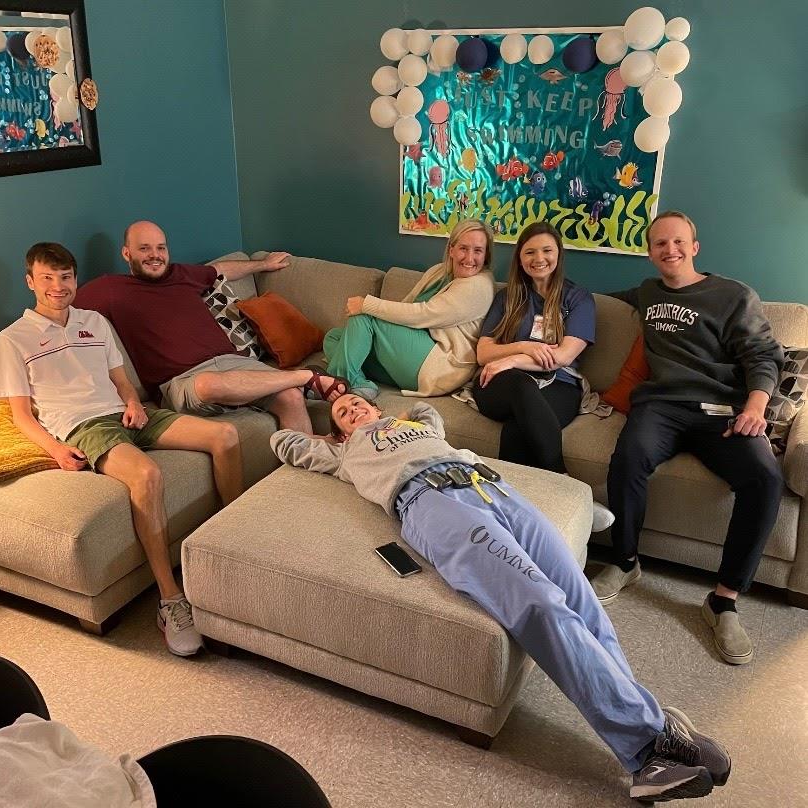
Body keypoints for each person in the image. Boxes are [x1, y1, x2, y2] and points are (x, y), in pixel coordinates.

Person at [272, 393, 731, 803]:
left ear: (375, 406)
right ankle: (647, 748)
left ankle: (654, 733)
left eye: (356, 402)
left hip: (490, 486)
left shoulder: (417, 426)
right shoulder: (342, 452)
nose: (352, 408)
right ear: (339, 430)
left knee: (581, 599)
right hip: (432, 506)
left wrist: (389, 414)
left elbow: (428, 411)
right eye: (343, 413)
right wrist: (315, 412)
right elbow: (285, 444)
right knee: (540, 603)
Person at [0, 243, 244, 657]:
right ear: (30, 282)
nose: (59, 286)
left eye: (66, 276)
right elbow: (20, 415)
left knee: (226, 437)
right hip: (84, 427)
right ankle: (170, 599)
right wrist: (55, 450)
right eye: (48, 278)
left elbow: (120, 378)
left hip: (127, 414)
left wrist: (131, 402)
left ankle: (230, 546)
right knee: (147, 475)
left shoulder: (94, 321)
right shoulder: (13, 339)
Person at [590, 211, 784, 666]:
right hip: (661, 406)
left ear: (695, 246)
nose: (669, 250)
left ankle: (723, 600)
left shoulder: (735, 296)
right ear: (650, 251)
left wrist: (756, 407)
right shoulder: (648, 292)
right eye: (659, 244)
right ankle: (625, 560)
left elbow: (763, 356)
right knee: (629, 456)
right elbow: (595, 301)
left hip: (724, 411)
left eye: (678, 242)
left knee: (764, 478)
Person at [0, 221, 348, 432]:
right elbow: (53, 305)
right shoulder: (107, 289)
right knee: (209, 384)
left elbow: (222, 270)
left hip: (237, 365)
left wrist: (262, 265)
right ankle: (305, 377)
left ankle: (304, 475)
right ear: (127, 254)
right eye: (144, 249)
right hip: (184, 382)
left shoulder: (181, 274)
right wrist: (1, 353)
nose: (155, 255)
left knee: (287, 396)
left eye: (160, 247)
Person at [472, 221, 612, 530]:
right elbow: (483, 353)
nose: (539, 258)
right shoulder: (507, 297)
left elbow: (561, 357)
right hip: (498, 385)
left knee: (517, 430)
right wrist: (524, 347)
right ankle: (566, 487)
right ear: (520, 258)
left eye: (547, 250)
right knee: (521, 386)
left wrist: (512, 359)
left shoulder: (578, 299)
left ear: (559, 254)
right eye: (530, 252)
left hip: (559, 384)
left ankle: (509, 518)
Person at [323, 219, 495, 399]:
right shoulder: (439, 271)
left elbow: (424, 314)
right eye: (463, 248)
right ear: (451, 249)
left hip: (438, 365)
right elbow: (408, 306)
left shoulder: (479, 286)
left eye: (478, 251)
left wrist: (367, 304)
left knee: (364, 317)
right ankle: (360, 383)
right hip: (409, 353)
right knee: (333, 337)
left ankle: (335, 386)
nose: (469, 258)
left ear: (486, 256)